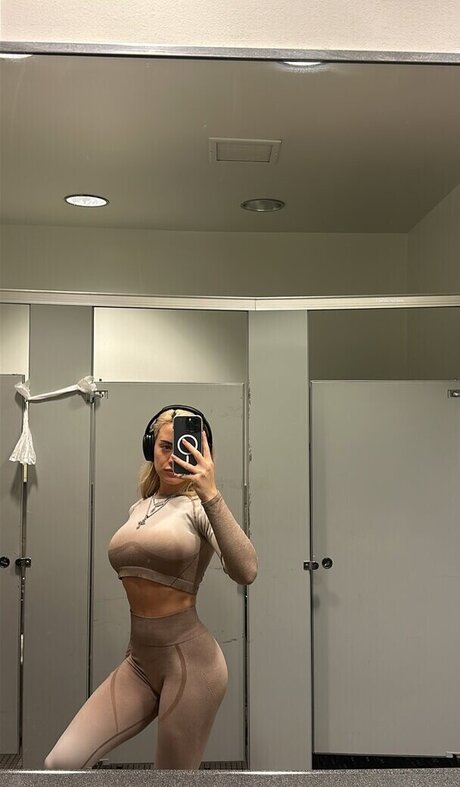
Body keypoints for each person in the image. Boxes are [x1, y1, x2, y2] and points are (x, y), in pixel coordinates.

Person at [44, 405, 257, 771]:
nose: (173, 458)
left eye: (185, 448)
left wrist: (211, 492)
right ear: (150, 448)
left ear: (203, 453)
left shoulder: (199, 508)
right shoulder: (139, 507)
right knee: (61, 763)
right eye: (165, 447)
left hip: (191, 665)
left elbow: (246, 570)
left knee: (171, 780)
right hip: (141, 662)